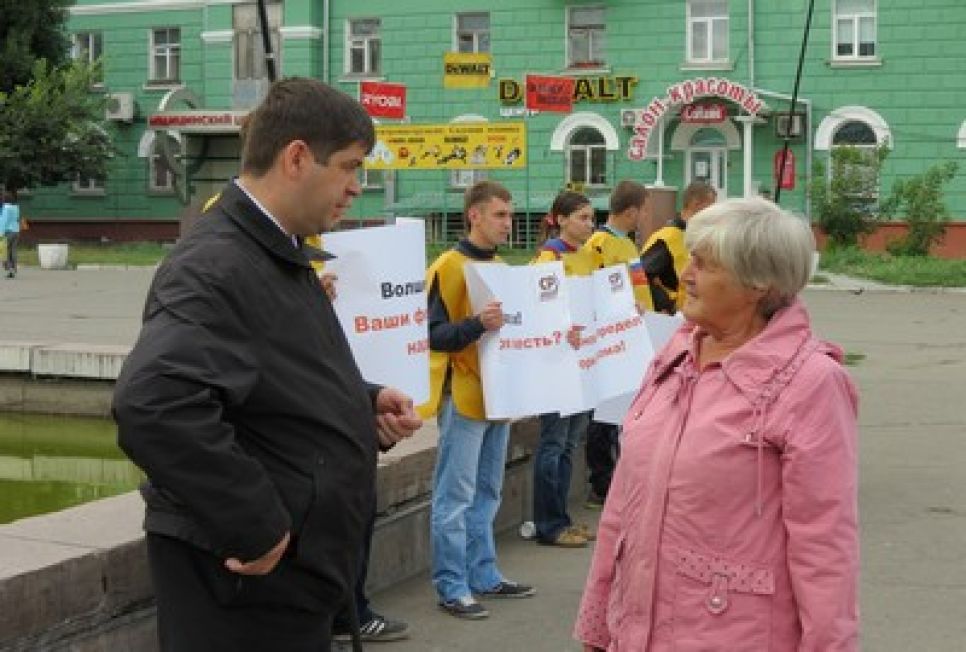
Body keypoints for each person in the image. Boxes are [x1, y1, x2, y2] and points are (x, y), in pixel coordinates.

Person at [113, 78, 422, 652]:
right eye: (350, 166)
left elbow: (271, 377)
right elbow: (153, 403)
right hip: (247, 593)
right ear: (297, 158)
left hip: (289, 588)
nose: (357, 186)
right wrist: (255, 524)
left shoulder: (275, 250)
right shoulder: (217, 263)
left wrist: (361, 403)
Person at [574, 198, 859, 651]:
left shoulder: (811, 383)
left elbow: (825, 546)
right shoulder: (673, 356)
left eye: (705, 264)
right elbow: (621, 508)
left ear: (758, 284)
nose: (686, 274)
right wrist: (598, 628)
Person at [419, 180, 535, 620]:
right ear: (475, 215)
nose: (508, 223)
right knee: (455, 497)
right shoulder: (447, 267)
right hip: (463, 396)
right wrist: (475, 324)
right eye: (500, 215)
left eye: (510, 215)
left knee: (487, 491)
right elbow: (430, 335)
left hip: (498, 396)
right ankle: (452, 586)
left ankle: (483, 575)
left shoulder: (503, 266)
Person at [303, 233, 410, 644]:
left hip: (341, 432)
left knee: (356, 521)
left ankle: (351, 613)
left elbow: (327, 364)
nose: (347, 199)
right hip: (302, 448)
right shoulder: (236, 245)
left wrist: (371, 398)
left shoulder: (307, 246)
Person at [530, 191, 596, 547]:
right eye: (583, 218)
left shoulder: (587, 255)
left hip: (583, 362)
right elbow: (538, 309)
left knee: (569, 444)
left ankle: (563, 519)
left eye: (591, 218)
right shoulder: (549, 256)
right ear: (561, 219)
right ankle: (548, 524)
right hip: (556, 364)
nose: (590, 224)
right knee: (553, 443)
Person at [580, 180, 650, 508]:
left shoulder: (627, 243)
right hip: (610, 341)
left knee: (621, 415)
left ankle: (617, 480)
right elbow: (594, 291)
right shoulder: (600, 243)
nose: (645, 216)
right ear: (631, 211)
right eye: (644, 210)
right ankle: (601, 484)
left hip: (631, 336)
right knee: (604, 417)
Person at [640, 181, 716, 314]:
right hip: (671, 317)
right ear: (697, 205)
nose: (714, 214)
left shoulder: (694, 236)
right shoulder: (668, 237)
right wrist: (668, 304)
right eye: (711, 208)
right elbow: (642, 275)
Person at [1, 191, 20, 278]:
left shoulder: (6, 208)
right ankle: (14, 268)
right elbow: (17, 219)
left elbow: (4, 221)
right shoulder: (16, 208)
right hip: (16, 231)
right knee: (13, 251)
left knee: (5, 252)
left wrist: (1, 233)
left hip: (7, 232)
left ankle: (9, 270)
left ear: (4, 199)